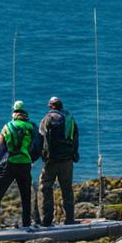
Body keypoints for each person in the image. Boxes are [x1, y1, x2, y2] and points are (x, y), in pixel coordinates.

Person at [0, 100, 41, 229]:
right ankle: (27, 224)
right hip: (25, 164)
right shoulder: (32, 126)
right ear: (25, 113)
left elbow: (0, 147)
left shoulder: (8, 127)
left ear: (14, 113)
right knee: (26, 196)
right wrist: (31, 159)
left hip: (10, 163)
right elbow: (38, 147)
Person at [38, 96, 79, 226]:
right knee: (67, 189)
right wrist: (74, 153)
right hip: (67, 160)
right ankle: (69, 219)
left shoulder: (47, 119)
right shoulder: (70, 120)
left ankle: (47, 220)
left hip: (52, 160)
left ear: (50, 106)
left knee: (46, 187)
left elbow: (41, 138)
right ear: (61, 106)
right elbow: (75, 138)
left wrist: (42, 155)